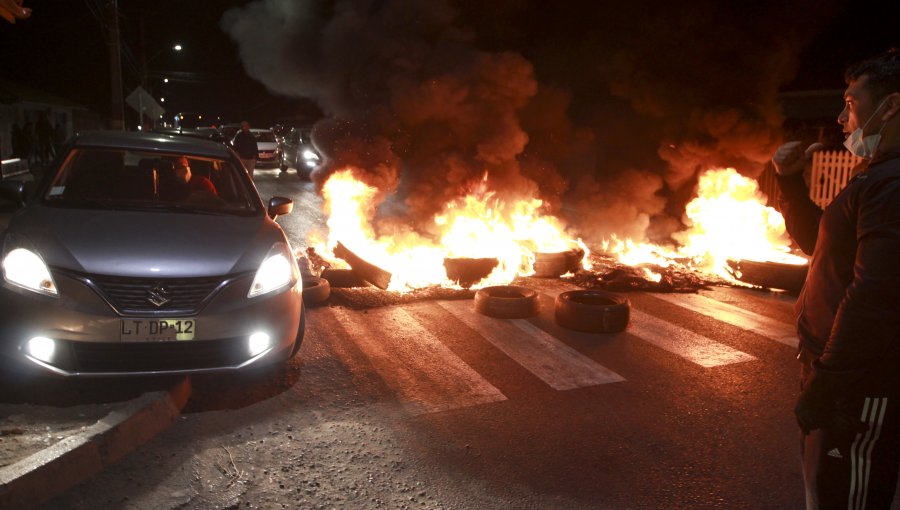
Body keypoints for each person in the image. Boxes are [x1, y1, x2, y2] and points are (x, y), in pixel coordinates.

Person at [771, 49, 900, 509]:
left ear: (892, 106)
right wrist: (788, 182)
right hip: (834, 372)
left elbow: (875, 299)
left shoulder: (893, 184)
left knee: (850, 497)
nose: (842, 117)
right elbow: (820, 248)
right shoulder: (875, 176)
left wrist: (830, 384)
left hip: (861, 385)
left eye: (851, 102)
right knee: (822, 491)